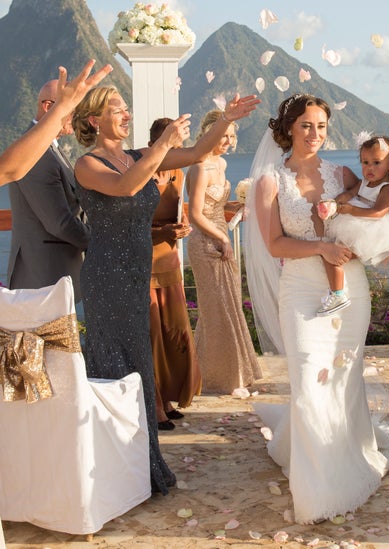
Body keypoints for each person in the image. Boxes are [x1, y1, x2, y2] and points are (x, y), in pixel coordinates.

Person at [72, 86, 260, 495]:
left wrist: (226, 118)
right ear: (94, 121)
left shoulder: (140, 156)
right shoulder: (86, 164)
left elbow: (196, 154)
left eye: (125, 108)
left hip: (137, 274)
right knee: (115, 366)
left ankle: (143, 466)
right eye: (117, 110)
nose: (126, 114)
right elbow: (125, 187)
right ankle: (111, 470)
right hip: (107, 277)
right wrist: (161, 144)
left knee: (140, 366)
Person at [246, 94, 389, 524]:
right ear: (288, 129)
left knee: (341, 375)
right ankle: (318, 489)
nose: (314, 134)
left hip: (348, 290)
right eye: (306, 126)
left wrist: (360, 244)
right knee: (308, 376)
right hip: (300, 290)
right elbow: (274, 243)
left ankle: (346, 455)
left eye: (321, 126)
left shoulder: (344, 173)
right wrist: (321, 246)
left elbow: (371, 216)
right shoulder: (269, 181)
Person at [186, 110, 262, 394]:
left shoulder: (221, 163)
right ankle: (218, 377)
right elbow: (195, 214)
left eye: (232, 136)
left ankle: (232, 372)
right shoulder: (198, 166)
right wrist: (222, 238)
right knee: (215, 310)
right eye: (224, 136)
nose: (229, 141)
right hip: (206, 243)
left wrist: (240, 204)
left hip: (222, 237)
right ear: (209, 134)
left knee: (228, 306)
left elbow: (215, 205)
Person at [7, 79, 89, 302]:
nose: (79, 117)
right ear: (48, 106)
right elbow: (59, 222)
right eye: (74, 109)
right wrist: (99, 242)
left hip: (56, 272)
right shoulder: (36, 153)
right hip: (42, 276)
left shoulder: (51, 149)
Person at [147, 117, 201, 431]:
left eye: (180, 145)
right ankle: (155, 407)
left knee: (174, 335)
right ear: (156, 142)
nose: (177, 151)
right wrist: (162, 229)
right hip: (146, 262)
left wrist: (181, 228)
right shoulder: (140, 173)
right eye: (172, 144)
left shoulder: (178, 173)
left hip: (170, 262)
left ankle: (168, 398)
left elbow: (179, 210)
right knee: (153, 338)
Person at [317, 135, 389, 316]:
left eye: (376, 163)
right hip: (357, 222)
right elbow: (350, 192)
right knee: (332, 252)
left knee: (334, 254)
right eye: (365, 163)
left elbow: (378, 212)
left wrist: (349, 210)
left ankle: (338, 293)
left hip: (374, 228)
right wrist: (334, 203)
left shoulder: (388, 188)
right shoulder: (365, 182)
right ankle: (337, 290)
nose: (369, 168)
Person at [0, 60, 112, 186]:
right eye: (74, 111)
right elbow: (9, 171)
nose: (77, 118)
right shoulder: (39, 153)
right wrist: (64, 106)